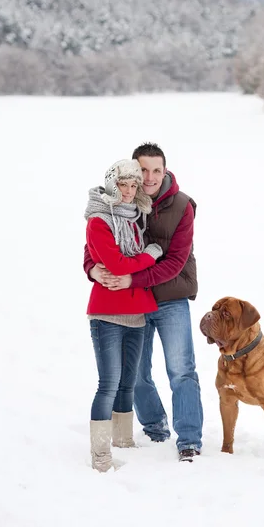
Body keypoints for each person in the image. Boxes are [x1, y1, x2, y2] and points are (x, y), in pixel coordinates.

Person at [84, 143, 203, 462]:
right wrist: (93, 269)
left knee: (181, 370)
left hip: (169, 296)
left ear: (165, 171)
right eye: (142, 170)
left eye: (156, 170)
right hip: (130, 302)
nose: (149, 177)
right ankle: (155, 426)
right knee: (134, 373)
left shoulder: (181, 205)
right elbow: (95, 244)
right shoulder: (119, 202)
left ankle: (189, 438)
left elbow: (175, 260)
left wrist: (132, 278)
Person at [85, 158, 163, 472]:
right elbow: (116, 265)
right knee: (109, 383)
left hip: (138, 311)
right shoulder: (99, 220)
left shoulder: (137, 218)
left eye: (134, 185)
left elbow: (115, 262)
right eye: (124, 184)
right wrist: (149, 255)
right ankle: (101, 454)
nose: (130, 191)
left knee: (128, 383)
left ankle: (123, 440)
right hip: (107, 312)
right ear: (111, 185)